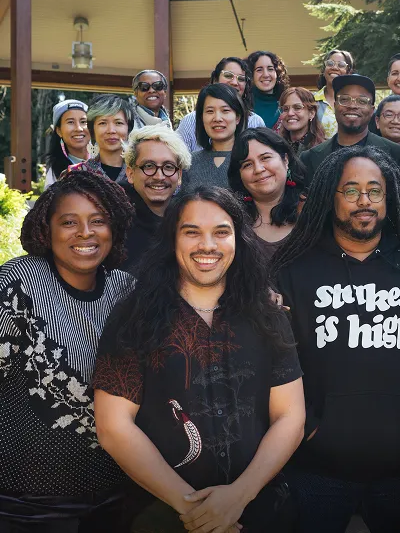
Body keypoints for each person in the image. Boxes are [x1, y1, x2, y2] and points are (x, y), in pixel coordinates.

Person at [92, 186, 305, 533]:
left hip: (259, 511)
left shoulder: (266, 314)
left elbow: (290, 415)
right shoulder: (135, 315)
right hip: (162, 516)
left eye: (221, 232)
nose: (208, 245)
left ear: (239, 239)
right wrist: (197, 511)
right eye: (192, 232)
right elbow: (114, 427)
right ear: (172, 240)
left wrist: (238, 497)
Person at [272, 146, 400, 533]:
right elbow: (272, 366)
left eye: (375, 190)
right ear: (328, 197)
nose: (364, 201)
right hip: (315, 470)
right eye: (350, 191)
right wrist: (311, 427)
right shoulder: (291, 270)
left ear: (391, 198)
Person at [0, 168, 135, 531]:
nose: (85, 233)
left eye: (98, 221)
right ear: (48, 229)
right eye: (69, 222)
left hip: (112, 498)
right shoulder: (18, 283)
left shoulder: (126, 290)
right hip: (25, 504)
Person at [300, 74, 400, 187]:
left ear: (372, 110)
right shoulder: (309, 158)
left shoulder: (397, 155)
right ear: (334, 106)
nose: (352, 105)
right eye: (344, 99)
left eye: (362, 101)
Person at [120, 124, 192, 273]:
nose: (159, 176)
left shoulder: (188, 219)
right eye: (149, 166)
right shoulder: (115, 222)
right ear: (130, 173)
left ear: (179, 176)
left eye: (168, 167)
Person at [228, 127, 306, 260]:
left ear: (285, 160)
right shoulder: (232, 220)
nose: (258, 169)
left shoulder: (311, 211)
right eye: (247, 165)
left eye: (265, 158)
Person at [176, 57, 266, 151]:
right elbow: (179, 160)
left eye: (241, 79)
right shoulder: (189, 121)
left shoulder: (256, 122)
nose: (235, 82)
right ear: (215, 80)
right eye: (228, 75)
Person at [182, 83, 248, 191]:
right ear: (201, 118)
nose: (217, 118)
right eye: (210, 111)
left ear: (238, 118)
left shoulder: (248, 159)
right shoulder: (190, 162)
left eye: (225, 111)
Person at [86, 94, 134, 184]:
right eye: (103, 123)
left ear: (129, 129)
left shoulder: (140, 173)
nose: (111, 130)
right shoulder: (76, 173)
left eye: (118, 123)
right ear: (92, 130)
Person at [43, 99, 91, 188]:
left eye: (83, 122)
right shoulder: (55, 174)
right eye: (70, 122)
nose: (79, 128)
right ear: (59, 131)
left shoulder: (103, 160)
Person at [313, 49, 354, 139]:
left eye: (341, 65)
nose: (335, 68)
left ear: (349, 71)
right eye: (330, 63)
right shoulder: (311, 100)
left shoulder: (355, 101)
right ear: (324, 70)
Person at [247, 51, 289, 129]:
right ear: (251, 75)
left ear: (277, 73)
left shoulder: (287, 104)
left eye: (270, 69)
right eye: (259, 70)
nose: (266, 75)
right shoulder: (243, 105)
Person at [278, 86, 325, 154]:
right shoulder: (275, 147)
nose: (290, 113)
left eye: (297, 108)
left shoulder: (324, 149)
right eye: (285, 109)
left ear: (311, 113)